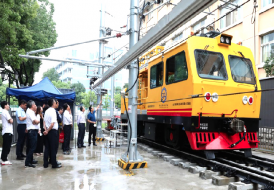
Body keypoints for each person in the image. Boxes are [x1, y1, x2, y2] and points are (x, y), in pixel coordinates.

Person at [43, 98, 61, 169]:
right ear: (53, 104)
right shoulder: (53, 111)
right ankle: (54, 164)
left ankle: (45, 163)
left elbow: (44, 122)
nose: (56, 103)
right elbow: (52, 123)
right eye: (55, 102)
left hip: (47, 131)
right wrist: (47, 131)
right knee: (53, 148)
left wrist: (45, 130)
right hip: (52, 131)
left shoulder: (46, 110)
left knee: (47, 148)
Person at [25, 100, 40, 168]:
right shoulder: (30, 112)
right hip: (32, 131)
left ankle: (30, 160)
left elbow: (35, 122)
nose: (36, 107)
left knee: (30, 147)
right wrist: (38, 120)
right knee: (32, 147)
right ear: (33, 106)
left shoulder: (31, 111)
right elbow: (36, 121)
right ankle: (28, 162)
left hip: (32, 130)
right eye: (35, 105)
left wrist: (36, 122)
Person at [1, 101, 13, 165]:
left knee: (5, 146)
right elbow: (10, 121)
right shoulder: (5, 112)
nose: (8, 105)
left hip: (6, 131)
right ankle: (4, 159)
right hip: (7, 131)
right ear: (5, 106)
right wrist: (11, 119)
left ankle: (3, 158)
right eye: (8, 104)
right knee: (7, 146)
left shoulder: (3, 112)